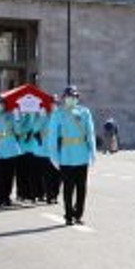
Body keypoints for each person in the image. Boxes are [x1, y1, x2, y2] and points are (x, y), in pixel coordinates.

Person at [46, 86, 97, 225]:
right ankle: (68, 215)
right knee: (68, 188)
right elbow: (52, 136)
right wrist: (54, 156)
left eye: (74, 97)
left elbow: (90, 133)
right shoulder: (58, 113)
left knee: (81, 187)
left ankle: (78, 214)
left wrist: (93, 152)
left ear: (77, 98)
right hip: (66, 156)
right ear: (64, 98)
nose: (71, 99)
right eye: (69, 97)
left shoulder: (84, 112)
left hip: (81, 155)